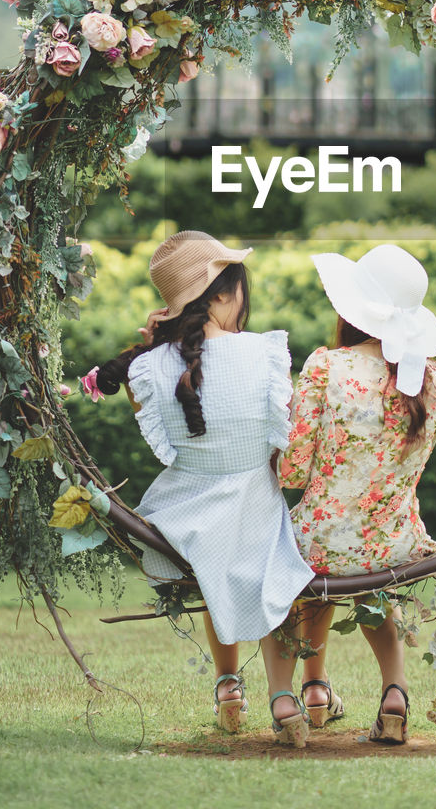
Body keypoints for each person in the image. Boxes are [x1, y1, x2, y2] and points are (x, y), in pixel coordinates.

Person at [96, 230, 315, 746]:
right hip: (255, 505)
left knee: (218, 561)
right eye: (240, 288)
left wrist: (154, 349)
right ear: (221, 294)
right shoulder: (265, 354)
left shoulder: (149, 368)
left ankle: (227, 686)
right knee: (269, 568)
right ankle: (284, 698)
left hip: (184, 519)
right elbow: (280, 447)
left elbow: (161, 443)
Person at [278, 244, 436, 744]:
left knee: (300, 555)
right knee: (365, 570)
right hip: (395, 544)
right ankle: (394, 694)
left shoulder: (327, 366)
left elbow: (292, 471)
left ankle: (308, 690)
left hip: (323, 542)